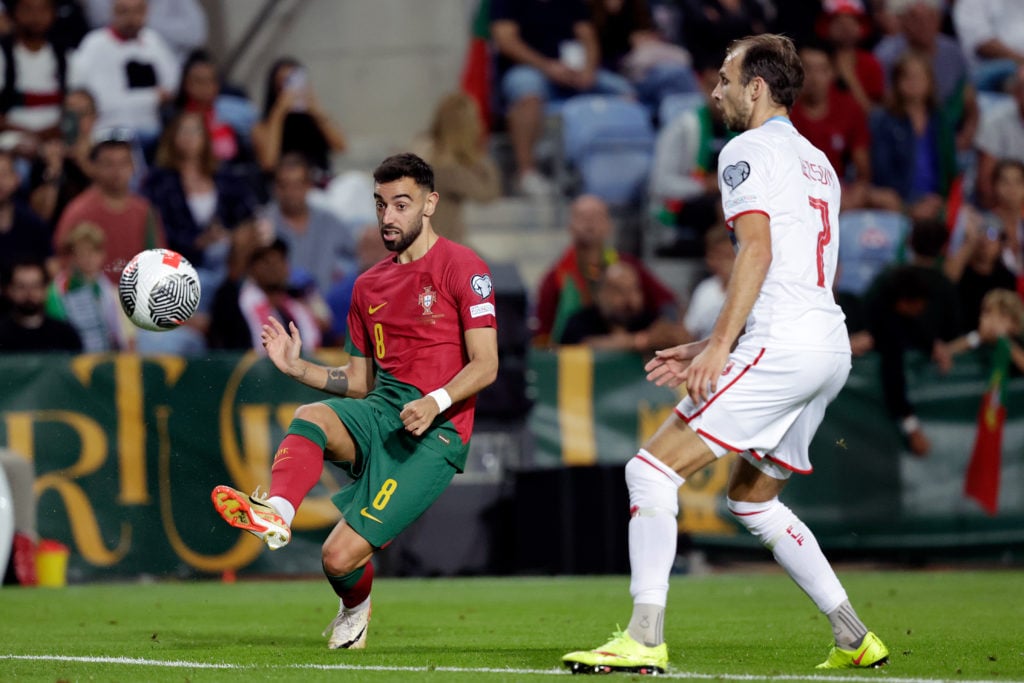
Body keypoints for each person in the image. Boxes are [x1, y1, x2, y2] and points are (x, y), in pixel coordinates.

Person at [562, 34, 889, 674]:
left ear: (757, 88)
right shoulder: (818, 160)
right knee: (753, 501)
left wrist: (718, 344)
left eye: (725, 79)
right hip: (826, 343)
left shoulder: (744, 149)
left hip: (784, 344)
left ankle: (644, 638)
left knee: (649, 473)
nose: (716, 91)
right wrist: (715, 340)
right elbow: (793, 267)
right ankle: (855, 638)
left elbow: (757, 252)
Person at [209, 153, 499, 650]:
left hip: (436, 435)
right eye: (380, 204)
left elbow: (486, 364)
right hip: (381, 413)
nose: (388, 217)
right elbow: (361, 380)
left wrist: (435, 401)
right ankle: (277, 511)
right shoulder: (368, 286)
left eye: (401, 204)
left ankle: (354, 607)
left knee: (337, 559)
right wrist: (299, 368)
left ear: (429, 204)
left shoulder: (463, 267)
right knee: (311, 416)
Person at [490, 0, 634, 197]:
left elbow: (588, 37)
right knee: (528, 94)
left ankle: (628, 168)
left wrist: (588, 70)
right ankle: (526, 173)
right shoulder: (507, 3)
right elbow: (506, 40)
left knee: (624, 91)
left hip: (572, 71)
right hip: (529, 69)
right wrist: (547, 66)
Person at [532, 193, 678, 347]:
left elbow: (667, 303)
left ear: (609, 225)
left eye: (597, 216)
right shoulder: (556, 276)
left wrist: (662, 329)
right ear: (570, 226)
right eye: (582, 217)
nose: (590, 223)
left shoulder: (629, 266)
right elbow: (543, 335)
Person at [52, 132, 164, 283]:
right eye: (109, 164)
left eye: (123, 163)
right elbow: (60, 259)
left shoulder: (144, 210)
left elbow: (158, 259)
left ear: (133, 166)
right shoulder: (79, 211)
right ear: (94, 167)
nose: (117, 171)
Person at [68, 0, 179, 146]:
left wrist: (132, 97)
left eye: (137, 11)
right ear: (113, 12)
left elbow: (171, 87)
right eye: (124, 11)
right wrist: (152, 97)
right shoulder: (95, 44)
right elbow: (103, 102)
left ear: (146, 12)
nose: (131, 18)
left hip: (151, 130)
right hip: (109, 132)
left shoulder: (153, 40)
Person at [869, 51, 958, 222]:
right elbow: (881, 170)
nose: (913, 83)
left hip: (937, 201)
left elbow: (950, 168)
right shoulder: (884, 120)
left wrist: (942, 201)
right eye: (907, 77)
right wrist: (908, 206)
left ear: (930, 82)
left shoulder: (941, 120)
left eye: (919, 77)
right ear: (897, 82)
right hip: (899, 201)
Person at [410, 91, 500, 245]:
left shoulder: (425, 149)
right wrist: (478, 155)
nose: (480, 125)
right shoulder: (444, 166)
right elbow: (488, 192)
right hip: (436, 253)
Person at [266, 152, 355, 295]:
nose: (291, 192)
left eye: (297, 185)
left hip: (327, 306)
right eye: (284, 185)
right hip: (283, 309)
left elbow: (356, 254)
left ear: (308, 185)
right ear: (275, 188)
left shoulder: (329, 221)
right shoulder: (264, 225)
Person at [252, 57, 347, 182]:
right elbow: (268, 162)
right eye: (285, 83)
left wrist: (317, 111)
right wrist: (279, 113)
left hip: (319, 181)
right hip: (286, 187)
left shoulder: (314, 119)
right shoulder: (263, 125)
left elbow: (341, 146)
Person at [560, 260, 689, 351]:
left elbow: (681, 340)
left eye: (634, 289)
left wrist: (673, 336)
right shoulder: (580, 321)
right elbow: (583, 346)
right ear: (600, 294)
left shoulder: (648, 319)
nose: (629, 298)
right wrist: (640, 341)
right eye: (619, 291)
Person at [45, 220, 132, 351]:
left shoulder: (106, 287)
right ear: (72, 257)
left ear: (103, 254)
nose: (88, 258)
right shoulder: (58, 288)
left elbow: (117, 333)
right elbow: (57, 327)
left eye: (93, 252)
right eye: (82, 253)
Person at [0, 0, 72, 141]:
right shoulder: (3, 54)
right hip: (9, 141)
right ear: (14, 13)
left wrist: (49, 133)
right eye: (28, 9)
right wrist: (26, 135)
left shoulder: (65, 55)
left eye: (43, 10)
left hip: (55, 139)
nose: (36, 16)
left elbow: (76, 106)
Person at [0, 257, 81, 350]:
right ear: (9, 290)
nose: (29, 293)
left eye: (35, 286)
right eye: (21, 286)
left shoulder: (65, 333)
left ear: (45, 289)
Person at [682, 224, 734, 340]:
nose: (721, 263)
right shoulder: (705, 289)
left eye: (727, 256)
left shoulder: (756, 291)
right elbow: (690, 332)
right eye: (715, 257)